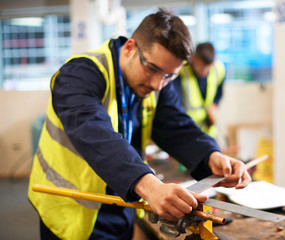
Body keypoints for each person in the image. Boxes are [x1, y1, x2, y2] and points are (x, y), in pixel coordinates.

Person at [28, 9, 251, 240]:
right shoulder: (79, 74)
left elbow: (176, 125)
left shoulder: (157, 81)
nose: (157, 84)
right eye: (152, 69)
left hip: (123, 198)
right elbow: (96, 135)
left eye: (169, 76)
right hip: (69, 208)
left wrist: (211, 156)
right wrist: (150, 186)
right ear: (130, 48)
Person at [173, 42, 226, 139]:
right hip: (188, 130)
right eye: (201, 67)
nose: (204, 72)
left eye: (207, 68)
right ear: (193, 58)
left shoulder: (218, 69)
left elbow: (219, 93)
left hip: (209, 131)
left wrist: (213, 106)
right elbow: (176, 103)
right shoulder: (181, 71)